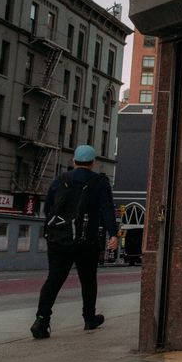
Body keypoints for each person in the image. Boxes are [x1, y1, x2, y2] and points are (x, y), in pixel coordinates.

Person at [30, 145, 118, 340]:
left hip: (59, 240)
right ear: (93, 163)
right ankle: (89, 318)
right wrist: (113, 234)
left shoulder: (60, 180)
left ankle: (41, 320)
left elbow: (48, 208)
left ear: (74, 161)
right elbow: (107, 209)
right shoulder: (99, 182)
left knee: (53, 280)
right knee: (88, 280)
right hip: (87, 240)